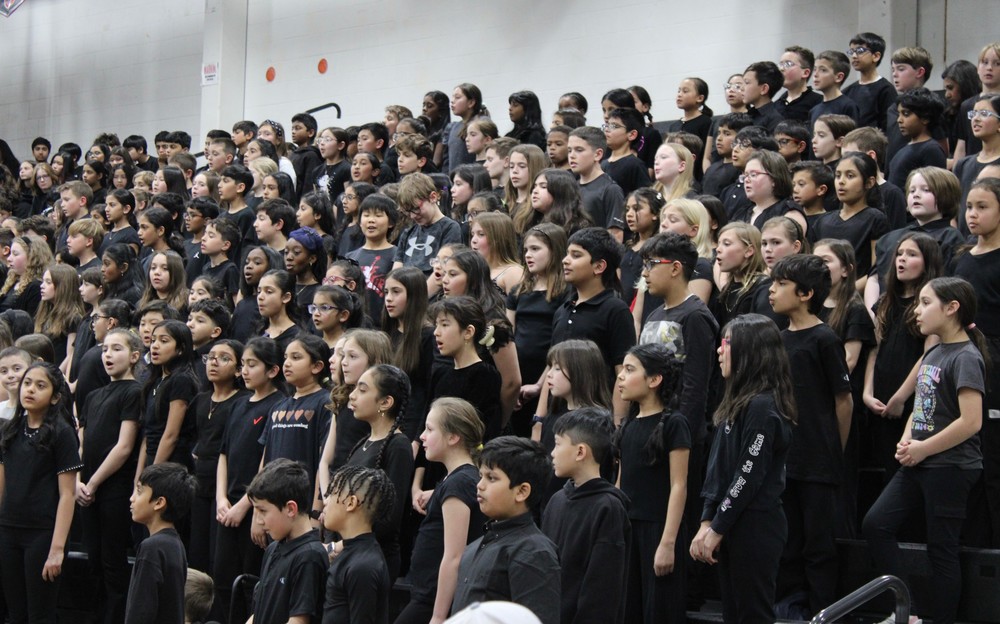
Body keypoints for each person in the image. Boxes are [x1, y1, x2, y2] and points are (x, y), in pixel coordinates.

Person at [863, 277, 987, 624]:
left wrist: (922, 449)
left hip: (950, 467)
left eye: (926, 303)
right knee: (876, 524)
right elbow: (921, 405)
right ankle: (909, 611)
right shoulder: (934, 351)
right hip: (920, 460)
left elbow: (971, 422)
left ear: (952, 309)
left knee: (941, 550)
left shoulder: (965, 357)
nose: (917, 311)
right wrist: (907, 440)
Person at [690, 314, 795, 624]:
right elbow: (719, 470)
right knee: (733, 615)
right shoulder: (735, 403)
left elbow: (747, 474)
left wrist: (718, 525)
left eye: (727, 344)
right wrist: (708, 519)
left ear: (750, 352)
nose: (719, 351)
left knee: (752, 615)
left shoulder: (764, 406)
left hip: (756, 525)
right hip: (732, 521)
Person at [767, 255, 852, 618]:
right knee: (788, 541)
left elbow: (843, 400)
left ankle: (822, 611)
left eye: (781, 284)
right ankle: (790, 608)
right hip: (785, 457)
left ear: (805, 293)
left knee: (818, 544)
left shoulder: (824, 338)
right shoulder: (778, 338)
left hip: (817, 458)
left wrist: (835, 449)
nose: (771, 290)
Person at [0, 363, 81, 624]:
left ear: (56, 397)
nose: (30, 390)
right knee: (15, 614)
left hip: (43, 534)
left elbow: (67, 495)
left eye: (40, 385)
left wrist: (57, 550)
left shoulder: (62, 432)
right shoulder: (9, 430)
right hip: (8, 530)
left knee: (40, 615)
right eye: (27, 383)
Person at [616, 344, 690, 624]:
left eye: (630, 369)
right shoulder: (629, 424)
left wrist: (668, 543)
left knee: (659, 611)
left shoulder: (674, 423)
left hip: (659, 529)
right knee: (629, 610)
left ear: (654, 380)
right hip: (629, 529)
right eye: (622, 369)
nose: (621, 376)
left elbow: (679, 486)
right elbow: (621, 484)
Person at [451, 436, 560, 624]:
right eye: (481, 476)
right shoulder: (477, 545)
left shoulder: (533, 552)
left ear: (521, 491)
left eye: (491, 478)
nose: (480, 485)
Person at [395, 397, 485, 624]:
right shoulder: (457, 480)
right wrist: (437, 493)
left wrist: (437, 616)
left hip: (433, 598)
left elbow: (454, 556)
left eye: (429, 429)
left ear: (453, 437)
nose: (422, 436)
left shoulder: (459, 483)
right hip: (426, 591)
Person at [863, 233, 943, 483]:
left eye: (912, 255)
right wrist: (867, 392)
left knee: (908, 474)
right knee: (887, 472)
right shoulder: (886, 302)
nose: (902, 260)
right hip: (882, 400)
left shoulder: (930, 306)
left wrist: (901, 397)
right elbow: (874, 350)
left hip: (911, 401)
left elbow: (929, 356)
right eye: (899, 254)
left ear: (927, 262)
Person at [77, 328, 143, 624]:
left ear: (134, 356)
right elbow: (82, 443)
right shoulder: (93, 396)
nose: (108, 355)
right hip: (87, 487)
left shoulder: (134, 391)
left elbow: (124, 446)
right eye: (105, 349)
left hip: (113, 487)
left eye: (116, 349)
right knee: (93, 561)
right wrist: (78, 481)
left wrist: (92, 483)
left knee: (112, 562)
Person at [542, 407, 629, 624]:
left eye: (558, 444)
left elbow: (602, 590)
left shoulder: (608, 508)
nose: (552, 452)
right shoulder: (556, 501)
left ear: (581, 451)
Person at [953, 178, 1000, 547]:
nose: (973, 214)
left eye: (982, 207)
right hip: (962, 363)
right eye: (970, 206)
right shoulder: (961, 258)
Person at [247, 458, 329, 624]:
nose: (259, 521)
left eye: (262, 511)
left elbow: (299, 620)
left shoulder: (309, 557)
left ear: (291, 509)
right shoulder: (273, 549)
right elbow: (260, 610)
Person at [125, 463, 197, 624]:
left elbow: (141, 612)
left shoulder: (152, 548)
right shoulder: (175, 545)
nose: (132, 498)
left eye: (139, 491)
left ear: (159, 502)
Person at [323, 464, 394, 624]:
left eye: (332, 493)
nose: (325, 502)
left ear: (351, 503)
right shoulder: (353, 554)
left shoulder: (363, 566)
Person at [811, 152, 889, 284]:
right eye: (838, 175)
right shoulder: (822, 221)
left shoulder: (875, 219)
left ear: (869, 182)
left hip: (857, 294)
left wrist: (847, 292)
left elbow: (877, 269)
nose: (841, 181)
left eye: (850, 176)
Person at [139, 320, 199, 471]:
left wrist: (152, 473)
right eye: (153, 341)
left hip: (172, 465)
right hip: (152, 460)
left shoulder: (181, 380)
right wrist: (138, 477)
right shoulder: (155, 381)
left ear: (180, 348)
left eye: (164, 341)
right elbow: (149, 434)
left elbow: (171, 435)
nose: (155, 345)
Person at [886, 88, 947, 188]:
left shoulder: (931, 149)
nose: (899, 120)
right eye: (899, 114)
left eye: (906, 114)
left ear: (925, 118)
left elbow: (936, 190)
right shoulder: (906, 147)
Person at [843, 31, 897, 132]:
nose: (854, 56)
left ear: (876, 56)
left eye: (860, 51)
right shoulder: (847, 91)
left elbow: (889, 128)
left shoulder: (886, 89)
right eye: (851, 52)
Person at [776, 46, 824, 122]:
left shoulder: (819, 103)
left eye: (788, 64)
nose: (781, 69)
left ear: (805, 73)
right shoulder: (776, 105)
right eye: (780, 64)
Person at [743, 61, 785, 132]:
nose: (742, 88)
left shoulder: (775, 120)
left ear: (764, 89)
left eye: (747, 83)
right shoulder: (748, 115)